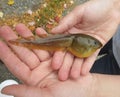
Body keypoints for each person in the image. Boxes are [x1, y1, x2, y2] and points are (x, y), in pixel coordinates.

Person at [0, 0, 120, 97]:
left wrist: (95, 91)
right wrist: (115, 7)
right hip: (112, 34)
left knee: (75, 74)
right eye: (92, 42)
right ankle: (13, 44)